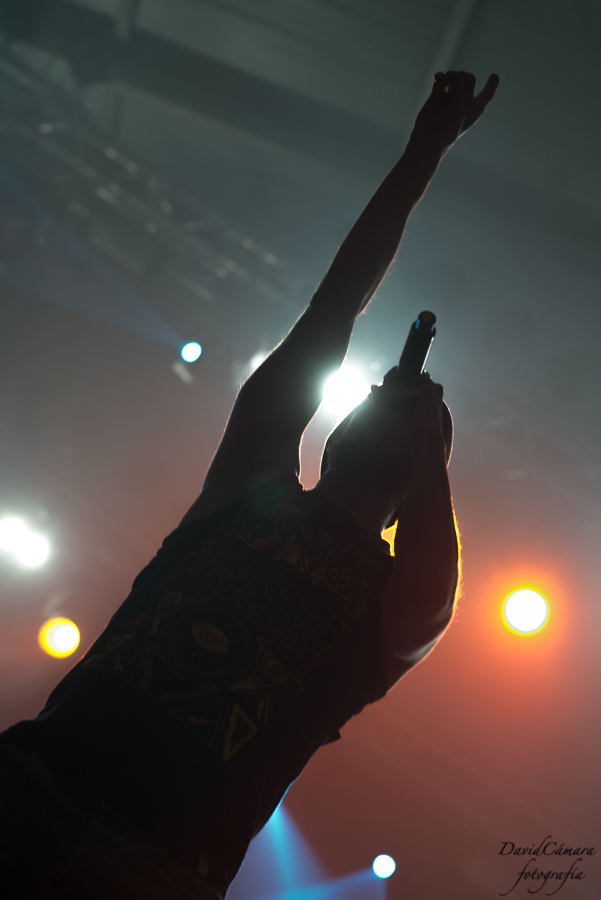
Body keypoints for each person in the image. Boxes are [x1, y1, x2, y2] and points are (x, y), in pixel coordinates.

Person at [0, 70, 499, 899]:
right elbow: (333, 307)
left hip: (152, 872)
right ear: (328, 434)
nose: (383, 413)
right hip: (28, 784)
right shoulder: (251, 481)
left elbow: (433, 585)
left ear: (421, 476)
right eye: (370, 404)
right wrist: (422, 154)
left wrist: (423, 437)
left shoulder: (392, 608)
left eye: (407, 426)